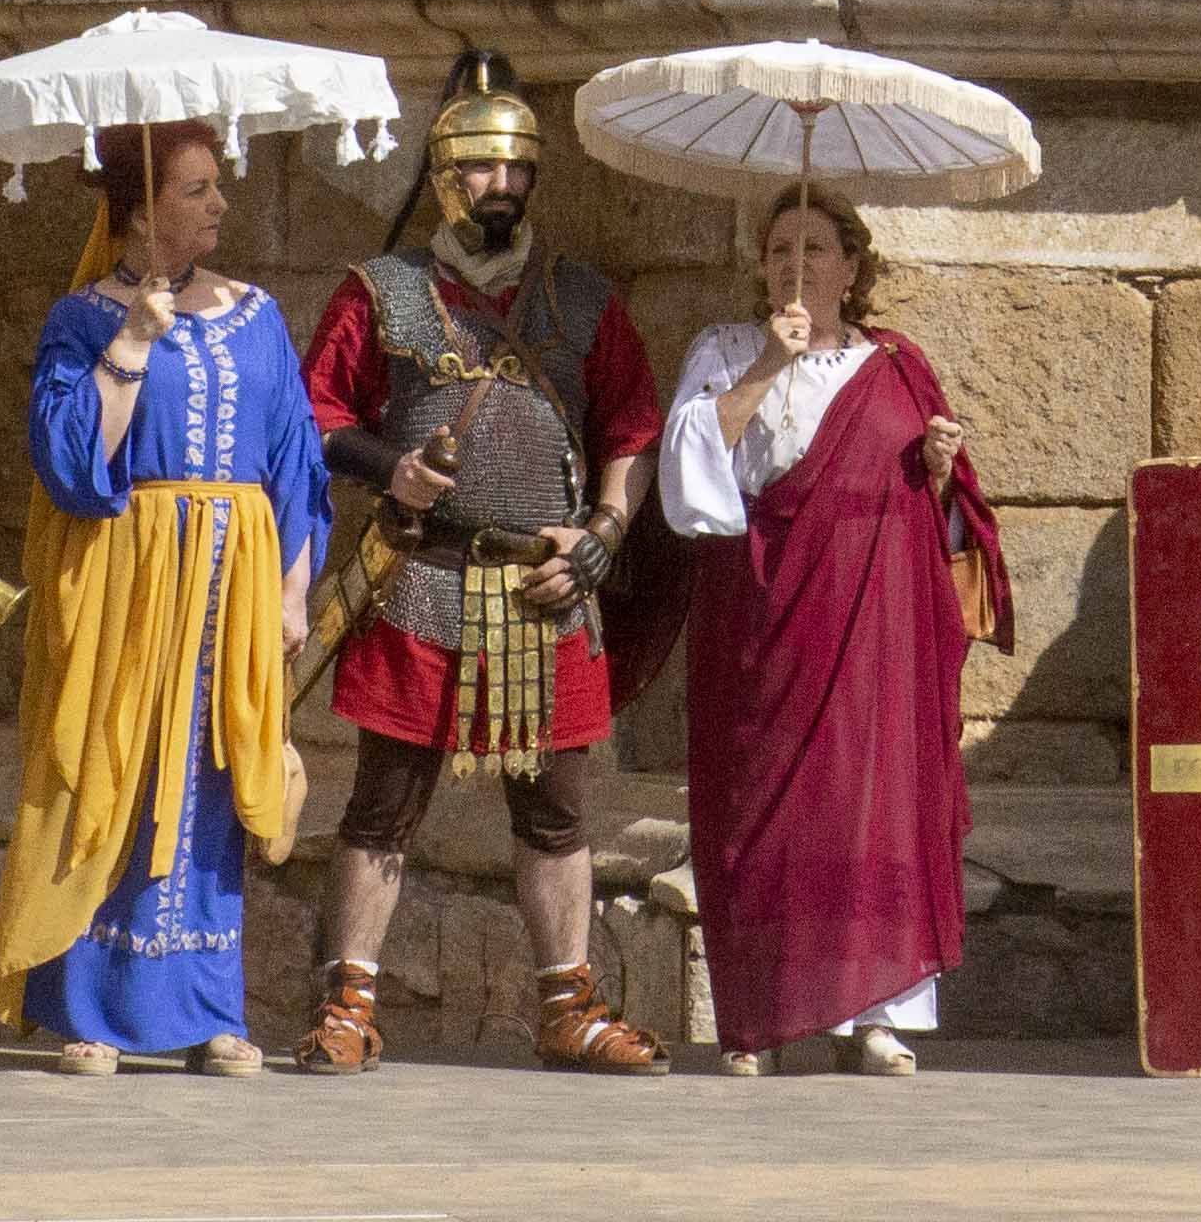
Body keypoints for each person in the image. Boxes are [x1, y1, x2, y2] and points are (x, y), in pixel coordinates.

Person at [296, 58, 666, 1073]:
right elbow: (320, 412)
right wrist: (390, 467)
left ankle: (568, 1009)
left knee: (557, 813)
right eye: (480, 172)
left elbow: (635, 425)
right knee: (383, 805)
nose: (501, 189)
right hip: (426, 581)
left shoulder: (584, 300)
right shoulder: (383, 294)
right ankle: (349, 1004)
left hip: (548, 586)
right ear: (446, 178)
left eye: (517, 173)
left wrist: (602, 534)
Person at [0, 121, 324, 1076]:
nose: (220, 205)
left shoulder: (258, 315)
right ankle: (85, 1004)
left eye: (218, 185)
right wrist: (132, 340)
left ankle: (207, 1008)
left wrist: (293, 590)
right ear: (139, 212)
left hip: (234, 584)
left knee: (210, 782)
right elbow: (70, 461)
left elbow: (294, 457)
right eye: (195, 190)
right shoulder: (84, 319)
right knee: (113, 766)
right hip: (128, 580)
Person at [664, 188, 1011, 1075]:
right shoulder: (727, 349)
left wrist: (936, 474)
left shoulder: (897, 365)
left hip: (879, 624)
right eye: (780, 247)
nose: (795, 264)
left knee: (875, 805)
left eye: (816, 248)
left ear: (852, 268)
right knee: (767, 812)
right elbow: (687, 483)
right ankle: (764, 1020)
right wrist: (759, 375)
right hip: (763, 616)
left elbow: (949, 523)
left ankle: (879, 1016)